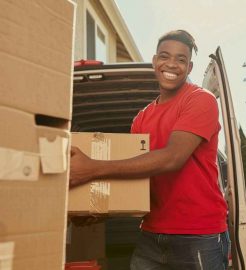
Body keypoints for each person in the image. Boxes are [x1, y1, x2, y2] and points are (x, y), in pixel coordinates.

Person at [70, 29, 228, 270]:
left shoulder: (200, 100)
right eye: (165, 56)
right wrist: (100, 212)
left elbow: (172, 158)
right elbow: (140, 180)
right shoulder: (142, 118)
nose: (172, 64)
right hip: (151, 234)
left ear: (190, 67)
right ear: (155, 61)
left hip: (198, 235)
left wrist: (91, 168)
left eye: (181, 59)